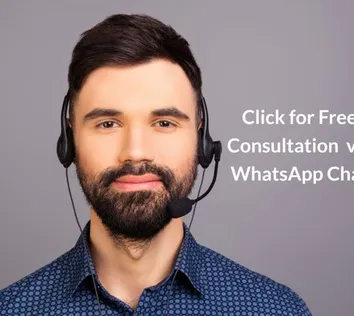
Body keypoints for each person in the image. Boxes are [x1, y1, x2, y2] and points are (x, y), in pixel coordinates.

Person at [0, 13, 312, 315]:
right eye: (108, 124)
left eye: (164, 122)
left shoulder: (276, 310)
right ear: (69, 142)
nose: (135, 153)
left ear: (201, 141)